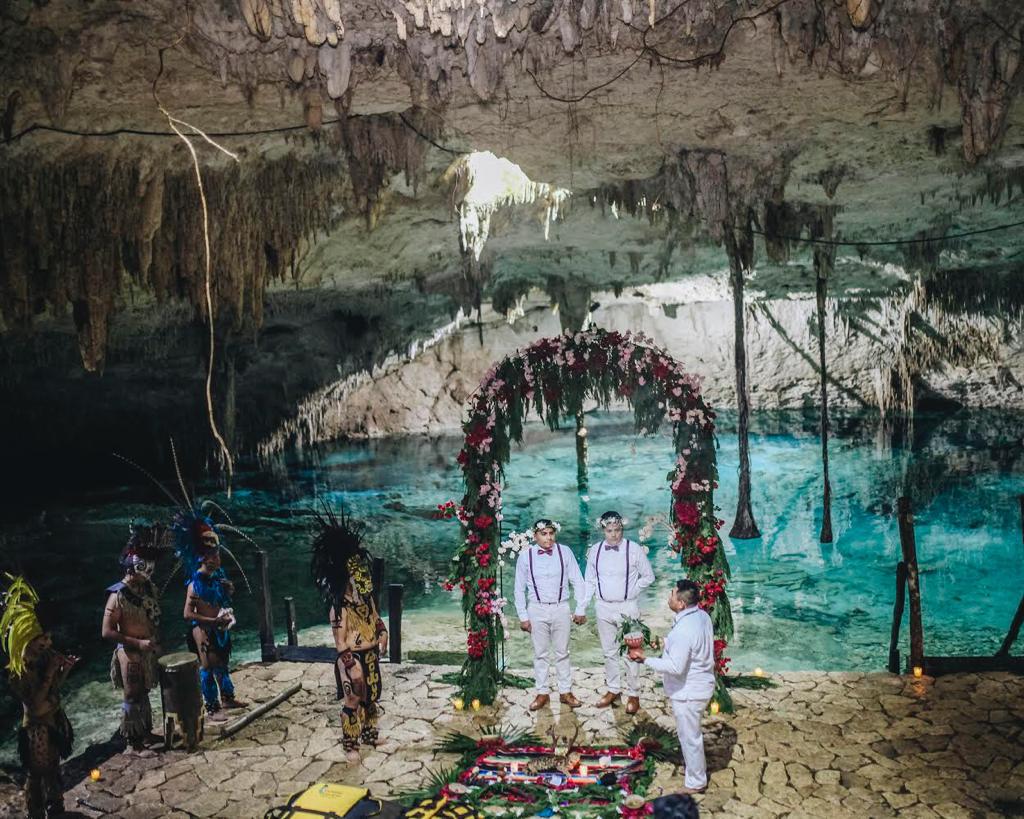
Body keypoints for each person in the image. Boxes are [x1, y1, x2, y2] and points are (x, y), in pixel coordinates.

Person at [310, 505, 387, 762]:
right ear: (347, 579)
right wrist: (351, 666)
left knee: (370, 698)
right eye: (357, 576)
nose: (362, 580)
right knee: (354, 697)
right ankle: (350, 742)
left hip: (370, 654)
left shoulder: (366, 599)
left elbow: (376, 620)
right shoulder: (339, 608)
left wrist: (382, 633)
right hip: (351, 659)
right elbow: (340, 642)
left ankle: (369, 734)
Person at [628, 579, 715, 795]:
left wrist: (644, 659)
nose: (669, 597)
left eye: (672, 594)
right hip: (701, 684)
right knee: (690, 733)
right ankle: (695, 774)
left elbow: (675, 667)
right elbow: (691, 644)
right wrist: (666, 642)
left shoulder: (684, 630)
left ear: (681, 604)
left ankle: (696, 782)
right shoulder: (701, 616)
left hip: (689, 691)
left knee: (689, 736)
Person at [1, 574, 77, 819]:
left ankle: (56, 807)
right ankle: (35, 812)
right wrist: (51, 673)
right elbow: (34, 705)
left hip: (54, 720)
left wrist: (63, 670)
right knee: (37, 775)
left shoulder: (45, 657)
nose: (48, 642)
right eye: (43, 638)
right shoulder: (18, 673)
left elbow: (54, 689)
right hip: (36, 729)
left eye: (48, 637)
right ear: (27, 639)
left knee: (54, 770)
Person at [101, 522, 167, 752]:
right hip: (129, 651)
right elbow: (107, 631)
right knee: (132, 694)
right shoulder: (118, 595)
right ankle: (133, 741)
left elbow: (153, 618)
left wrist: (156, 643)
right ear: (131, 565)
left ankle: (145, 732)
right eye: (143, 567)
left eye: (151, 567)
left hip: (148, 647)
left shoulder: (149, 589)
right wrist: (137, 642)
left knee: (145, 691)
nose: (148, 572)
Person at [583, 510, 655, 714]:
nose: (614, 535)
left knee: (632, 652)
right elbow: (589, 580)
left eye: (617, 530)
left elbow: (648, 576)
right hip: (603, 606)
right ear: (603, 530)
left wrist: (633, 591)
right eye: (609, 531)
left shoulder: (633, 549)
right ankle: (613, 689)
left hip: (627, 607)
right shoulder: (595, 551)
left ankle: (634, 694)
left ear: (622, 529)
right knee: (609, 652)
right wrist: (584, 605)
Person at [513, 518, 587, 711]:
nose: (548, 538)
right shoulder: (526, 556)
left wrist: (580, 608)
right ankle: (542, 692)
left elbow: (578, 581)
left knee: (563, 652)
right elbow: (519, 589)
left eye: (551, 533)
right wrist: (523, 616)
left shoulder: (565, 552)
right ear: (535, 535)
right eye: (544, 534)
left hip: (561, 607)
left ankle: (565, 691)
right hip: (536, 608)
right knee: (540, 653)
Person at [177, 517, 247, 720]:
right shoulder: (195, 585)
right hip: (203, 629)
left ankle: (227, 698)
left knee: (222, 663)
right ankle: (212, 707)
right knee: (207, 666)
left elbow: (219, 601)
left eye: (218, 553)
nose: (218, 558)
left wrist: (228, 600)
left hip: (219, 627)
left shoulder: (218, 576)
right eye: (213, 555)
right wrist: (211, 623)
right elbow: (187, 614)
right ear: (203, 558)